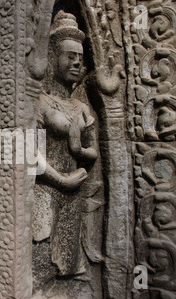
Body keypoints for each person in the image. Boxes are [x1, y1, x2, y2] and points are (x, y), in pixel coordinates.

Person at [33, 11, 99, 282]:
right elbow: (29, 153)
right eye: (70, 56)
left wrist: (80, 153)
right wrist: (61, 179)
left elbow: (91, 149)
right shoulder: (39, 102)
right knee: (39, 254)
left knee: (68, 259)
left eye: (80, 59)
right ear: (51, 57)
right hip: (45, 186)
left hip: (74, 188)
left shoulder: (82, 108)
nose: (76, 63)